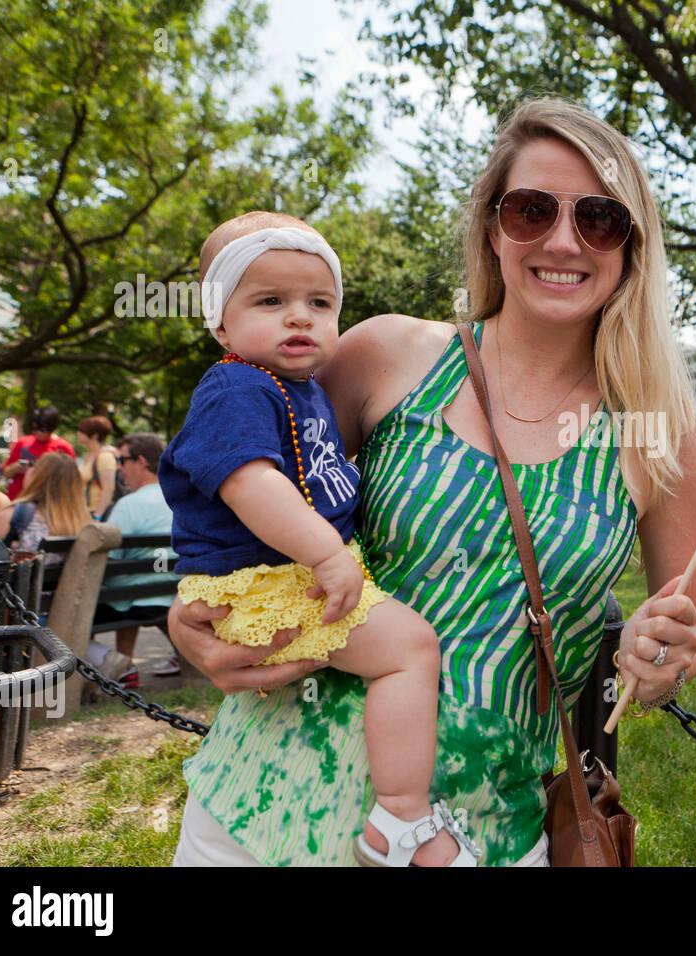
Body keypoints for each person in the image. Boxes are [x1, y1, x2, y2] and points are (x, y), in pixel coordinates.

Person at [168, 98, 696, 867]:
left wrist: (661, 658)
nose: (563, 240)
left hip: (482, 835)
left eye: (599, 218)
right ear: (494, 229)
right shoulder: (388, 353)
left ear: (632, 244)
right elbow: (238, 477)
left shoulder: (666, 434)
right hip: (264, 804)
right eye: (532, 210)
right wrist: (189, 616)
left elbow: (691, 626)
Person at [159, 210, 476, 866]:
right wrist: (330, 555)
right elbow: (252, 484)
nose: (299, 317)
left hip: (280, 576)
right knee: (410, 649)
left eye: (319, 302)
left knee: (404, 648)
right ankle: (402, 818)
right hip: (271, 581)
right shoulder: (235, 386)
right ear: (221, 322)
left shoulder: (298, 390)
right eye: (270, 301)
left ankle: (398, 813)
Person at [86, 433, 180, 689]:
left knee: (82, 607)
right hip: (173, 593)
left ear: (140, 461)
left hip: (134, 600)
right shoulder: (179, 499)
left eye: (122, 460)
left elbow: (109, 559)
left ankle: (110, 667)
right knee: (128, 587)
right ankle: (126, 667)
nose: (118, 467)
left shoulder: (129, 504)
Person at [0, 453, 93, 562]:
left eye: (32, 466)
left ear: (37, 476)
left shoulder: (17, 514)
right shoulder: (81, 523)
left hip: (16, 581)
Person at [0, 406, 75, 499]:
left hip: (48, 499)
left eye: (44, 430)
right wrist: (14, 468)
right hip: (18, 497)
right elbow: (5, 472)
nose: (39, 433)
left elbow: (71, 478)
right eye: (35, 429)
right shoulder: (22, 442)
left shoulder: (63, 447)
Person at [75, 415, 121, 520]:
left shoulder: (105, 457)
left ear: (94, 435)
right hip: (84, 512)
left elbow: (109, 489)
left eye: (82, 431)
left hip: (96, 513)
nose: (78, 433)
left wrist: (97, 516)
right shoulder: (89, 455)